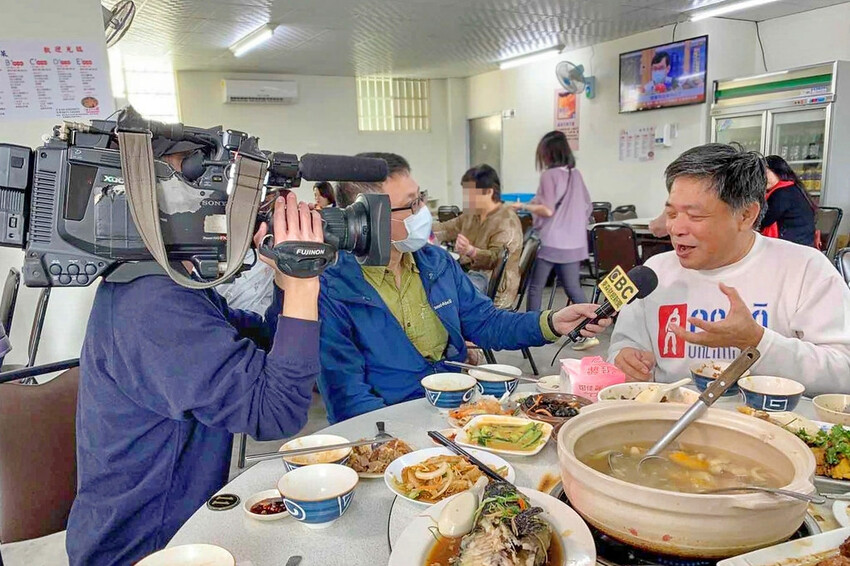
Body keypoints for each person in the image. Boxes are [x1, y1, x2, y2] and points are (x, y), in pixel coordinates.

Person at [66, 140, 324, 565]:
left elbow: (266, 347)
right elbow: (276, 411)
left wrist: (284, 281)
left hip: (186, 526)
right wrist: (302, 284)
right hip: (149, 548)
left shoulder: (166, 284)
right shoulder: (152, 306)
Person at [318, 152, 611, 423]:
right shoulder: (332, 289)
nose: (423, 213)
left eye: (421, 198)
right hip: (391, 422)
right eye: (412, 204)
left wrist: (551, 322)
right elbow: (348, 399)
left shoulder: (435, 262)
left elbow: (487, 322)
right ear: (366, 219)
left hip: (455, 408)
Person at [608, 143, 850, 396]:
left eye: (695, 216)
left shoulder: (805, 269)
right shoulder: (655, 272)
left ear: (746, 215)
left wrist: (757, 341)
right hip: (671, 421)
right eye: (671, 213)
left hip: (768, 426)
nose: (676, 229)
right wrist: (625, 356)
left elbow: (843, 373)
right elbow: (625, 341)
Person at [511, 130, 595, 350]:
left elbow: (546, 209)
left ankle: (530, 331)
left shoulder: (549, 176)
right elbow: (588, 206)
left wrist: (523, 206)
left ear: (548, 154)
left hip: (553, 241)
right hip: (575, 242)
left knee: (535, 286)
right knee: (573, 287)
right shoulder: (575, 174)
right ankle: (590, 328)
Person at [434, 164, 523, 308]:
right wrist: (417, 227)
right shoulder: (472, 214)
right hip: (470, 277)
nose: (467, 198)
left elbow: (497, 259)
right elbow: (446, 228)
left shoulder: (507, 222)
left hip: (495, 289)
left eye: (471, 193)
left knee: (442, 299)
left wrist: (471, 251)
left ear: (488, 192)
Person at [760, 155, 817, 247]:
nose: (761, 178)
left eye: (765, 173)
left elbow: (761, 222)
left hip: (792, 248)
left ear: (778, 171)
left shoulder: (782, 193)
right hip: (804, 245)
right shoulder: (792, 188)